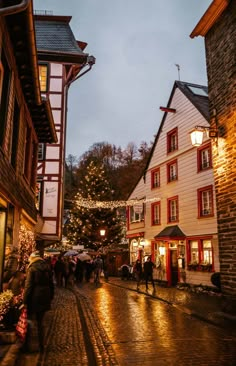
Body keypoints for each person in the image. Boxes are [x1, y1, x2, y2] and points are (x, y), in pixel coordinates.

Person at [23, 251, 54, 352]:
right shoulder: (47, 267)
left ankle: (28, 346)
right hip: (45, 297)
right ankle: (42, 345)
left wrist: (25, 300)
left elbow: (28, 286)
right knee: (41, 322)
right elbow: (51, 284)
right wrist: (50, 297)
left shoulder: (32, 268)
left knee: (30, 321)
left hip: (34, 298)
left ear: (32, 259)